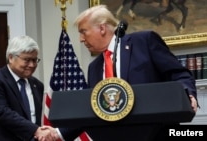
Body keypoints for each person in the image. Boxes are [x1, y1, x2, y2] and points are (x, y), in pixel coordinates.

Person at [74, 5, 198, 141]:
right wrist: (58, 132)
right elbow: (94, 109)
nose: (81, 39)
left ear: (102, 28)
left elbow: (178, 73)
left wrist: (188, 93)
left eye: (83, 31)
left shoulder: (144, 42)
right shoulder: (94, 67)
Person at [0, 35, 82, 141]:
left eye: (35, 60)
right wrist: (36, 130)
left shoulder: (37, 85)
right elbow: (2, 113)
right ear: (11, 58)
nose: (31, 65)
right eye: (27, 60)